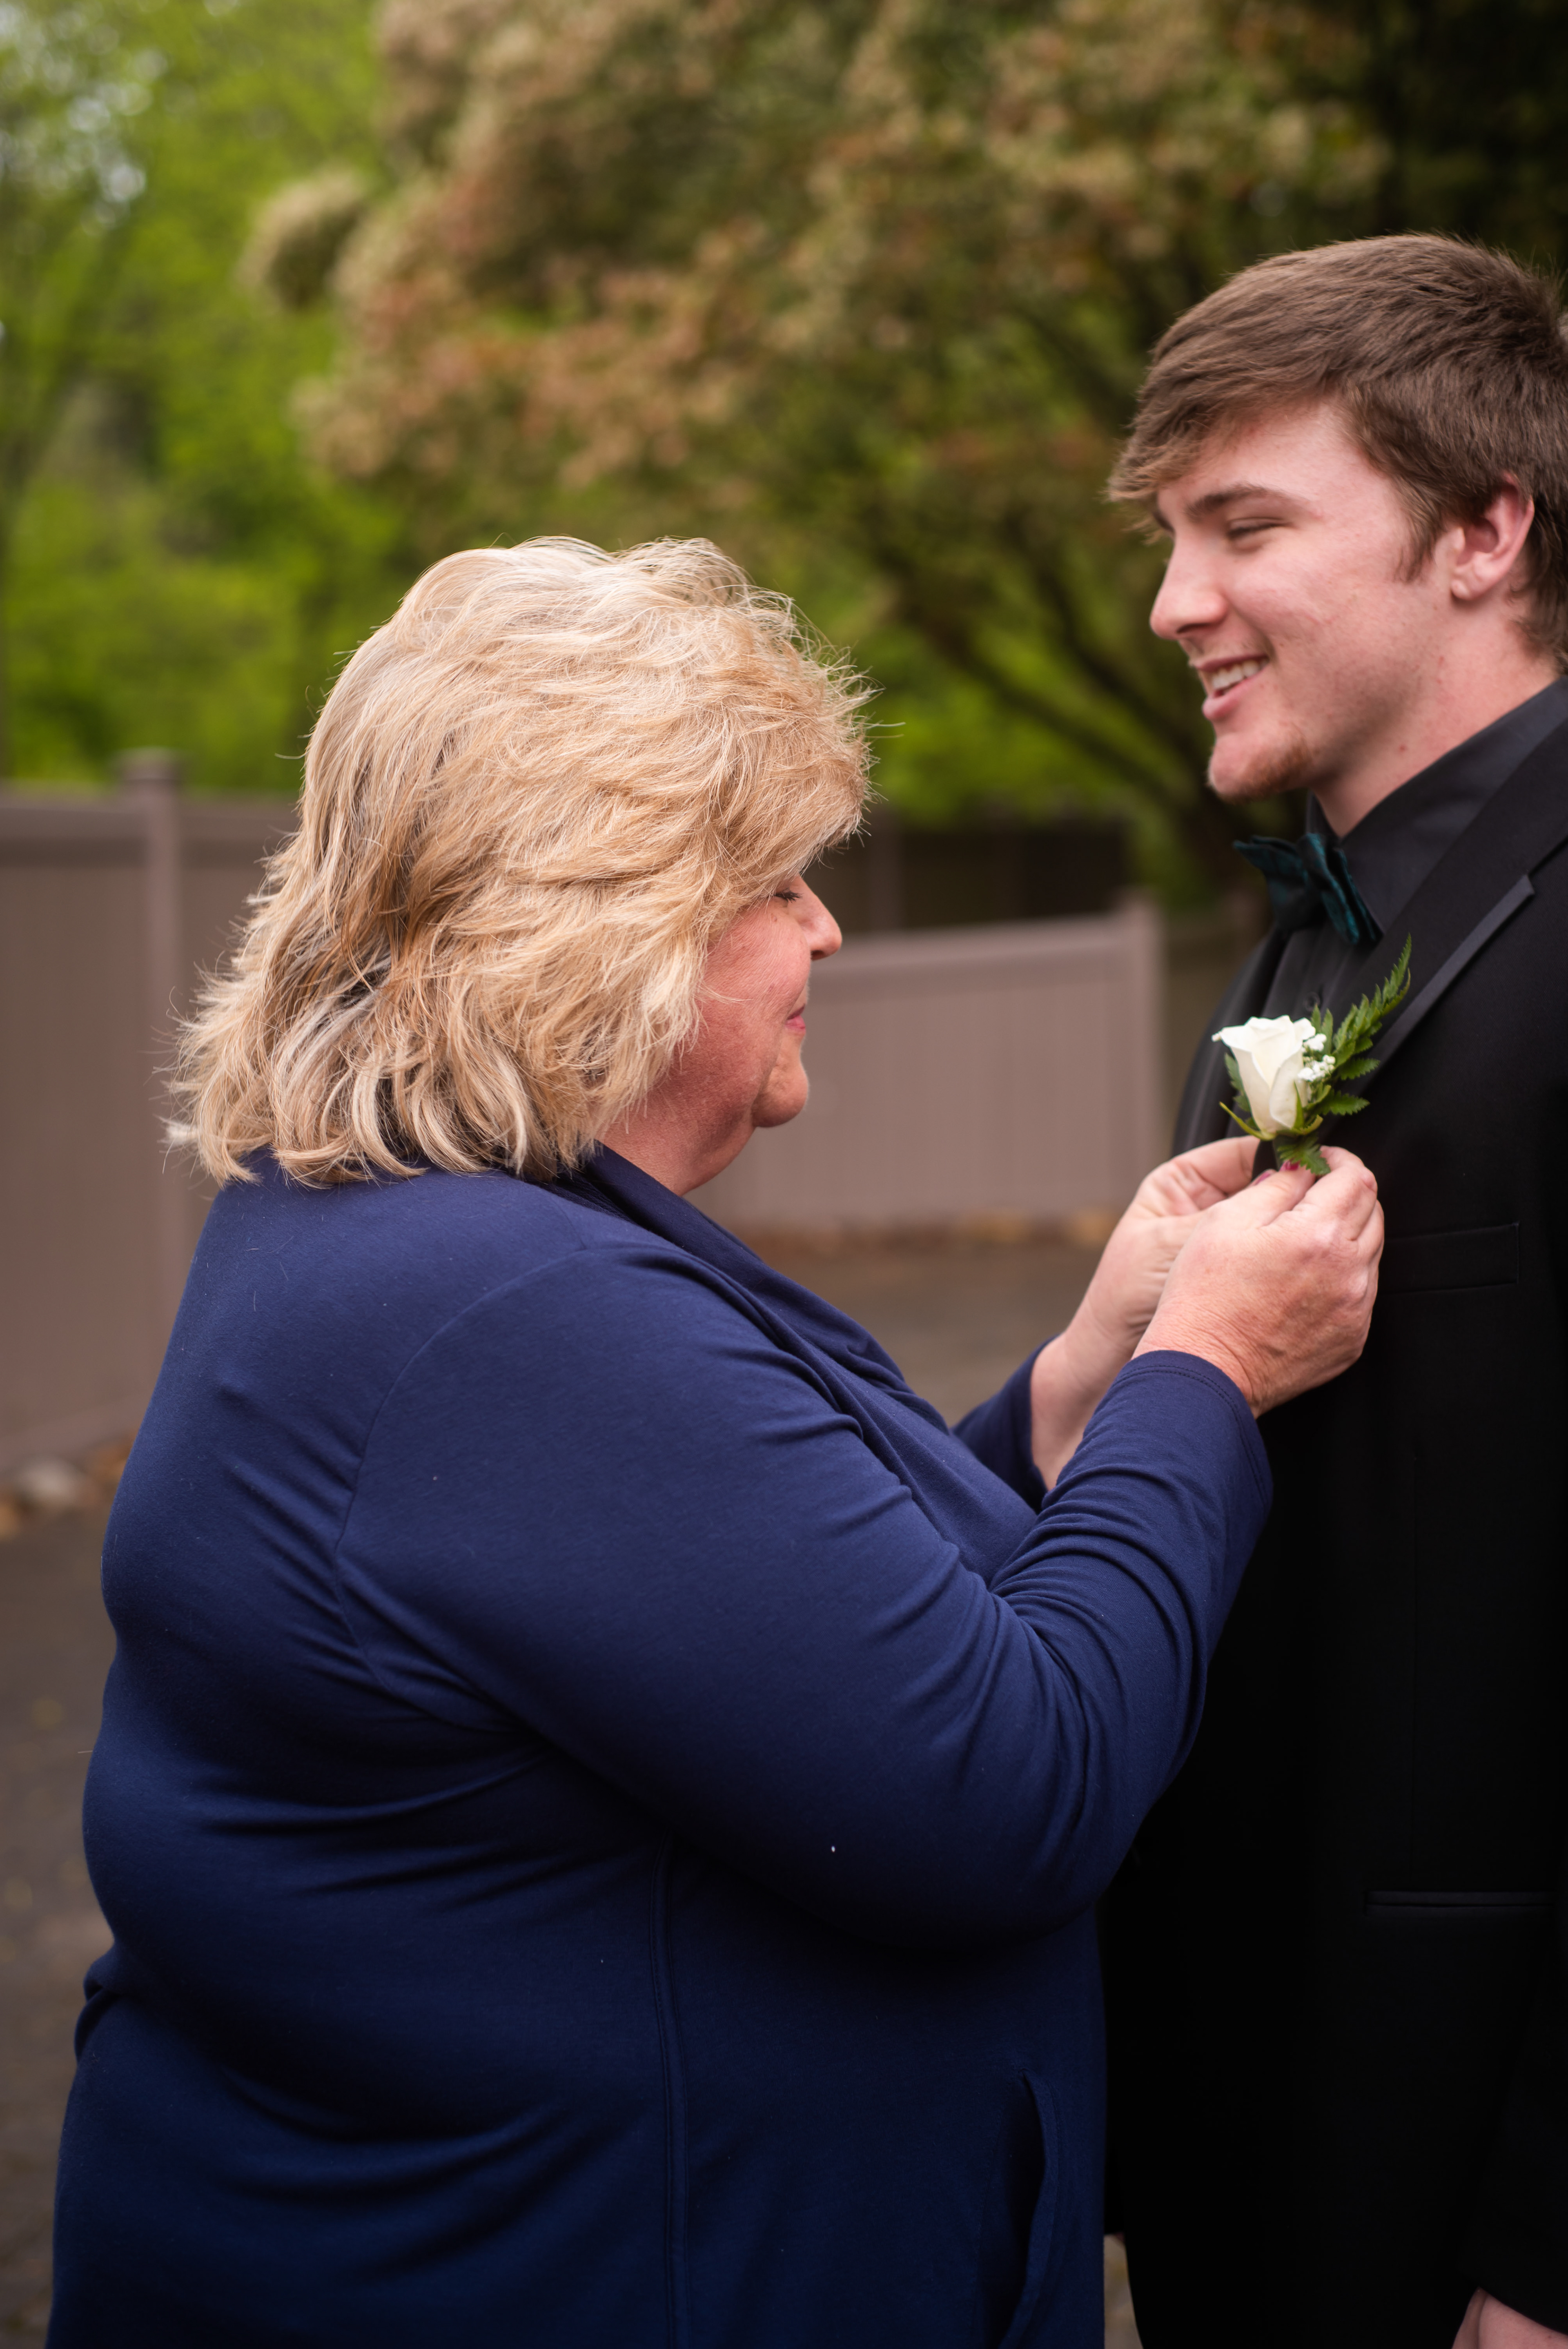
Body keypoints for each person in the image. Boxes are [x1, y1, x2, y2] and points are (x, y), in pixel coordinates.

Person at [48, 538, 1377, 2349]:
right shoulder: (499, 1313)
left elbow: (779, 1628)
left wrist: (1082, 1387)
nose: (826, 929)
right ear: (610, 921)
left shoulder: (406, 1231)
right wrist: (1209, 1371)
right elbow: (1009, 1783)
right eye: (774, 883)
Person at [1101, 234, 1568, 2349]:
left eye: (1244, 526)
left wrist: (1552, 2254)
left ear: (1485, 532)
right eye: (1169, 537)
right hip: (1254, 2134)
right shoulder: (1301, 934)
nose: (1174, 601)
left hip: (1473, 2165)